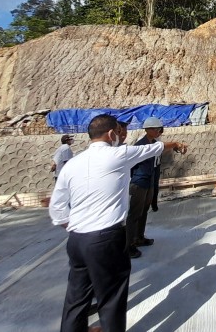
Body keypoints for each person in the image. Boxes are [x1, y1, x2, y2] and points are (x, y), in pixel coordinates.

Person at [49, 114, 181, 332]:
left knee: (76, 299)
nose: (121, 136)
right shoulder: (119, 154)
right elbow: (153, 149)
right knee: (111, 300)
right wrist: (174, 144)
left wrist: (77, 226)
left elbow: (57, 209)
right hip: (106, 239)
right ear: (111, 134)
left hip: (76, 240)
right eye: (119, 132)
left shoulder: (73, 164)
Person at [126, 116, 187, 258]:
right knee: (134, 214)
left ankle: (139, 238)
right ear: (149, 130)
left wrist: (178, 149)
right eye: (157, 129)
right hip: (140, 183)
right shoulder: (141, 145)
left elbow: (160, 152)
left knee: (143, 212)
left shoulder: (154, 143)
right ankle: (128, 245)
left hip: (149, 182)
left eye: (160, 129)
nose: (160, 131)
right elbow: (132, 166)